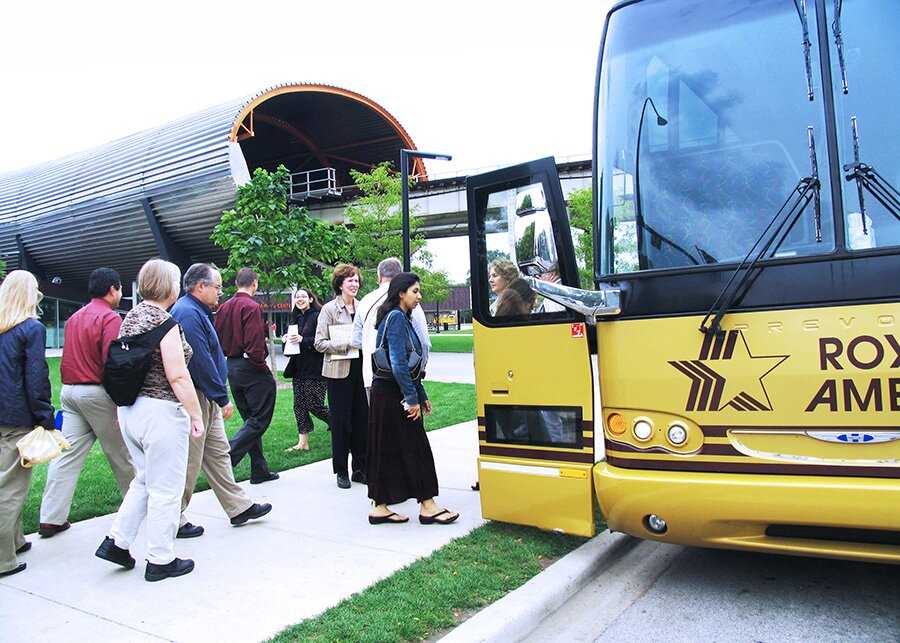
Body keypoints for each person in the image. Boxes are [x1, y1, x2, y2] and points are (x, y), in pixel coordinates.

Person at [95, 259, 204, 582]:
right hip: (161, 412)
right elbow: (178, 375)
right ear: (169, 286)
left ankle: (117, 541)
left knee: (143, 480)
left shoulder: (130, 318)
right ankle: (160, 558)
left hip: (130, 410)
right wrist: (196, 414)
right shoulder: (164, 322)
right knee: (166, 488)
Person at [170, 264, 272, 538]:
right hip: (199, 396)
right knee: (191, 460)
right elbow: (200, 361)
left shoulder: (199, 311)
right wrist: (219, 395)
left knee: (217, 453)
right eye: (216, 286)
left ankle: (238, 507)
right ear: (199, 286)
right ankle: (173, 517)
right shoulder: (188, 313)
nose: (220, 292)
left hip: (207, 394)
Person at [38, 268, 134, 538]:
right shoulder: (110, 318)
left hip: (69, 393)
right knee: (124, 455)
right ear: (113, 289)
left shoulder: (75, 318)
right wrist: (122, 401)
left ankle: (51, 518)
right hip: (97, 394)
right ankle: (142, 510)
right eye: (120, 289)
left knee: (66, 456)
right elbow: (112, 364)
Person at [366, 272, 458, 526]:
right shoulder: (396, 317)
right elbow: (398, 363)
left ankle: (380, 507)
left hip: (389, 394)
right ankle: (427, 505)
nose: (420, 296)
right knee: (416, 447)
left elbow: (409, 362)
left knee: (388, 449)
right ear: (401, 293)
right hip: (393, 395)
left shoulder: (398, 317)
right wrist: (411, 398)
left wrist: (421, 393)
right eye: (415, 291)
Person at [0, 271, 54, 577]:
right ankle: (2, 558)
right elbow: (36, 376)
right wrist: (44, 415)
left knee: (6, 480)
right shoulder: (31, 328)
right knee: (10, 488)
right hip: (16, 416)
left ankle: (16, 540)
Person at [215, 268, 279, 484]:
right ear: (254, 283)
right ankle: (228, 457)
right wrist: (263, 367)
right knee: (259, 419)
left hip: (232, 366)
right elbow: (255, 345)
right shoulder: (250, 306)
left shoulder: (224, 307)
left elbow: (218, 337)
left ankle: (259, 470)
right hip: (251, 367)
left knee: (250, 420)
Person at [315, 264, 367, 489]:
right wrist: (347, 344)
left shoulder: (362, 307)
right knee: (340, 423)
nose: (354, 284)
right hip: (338, 373)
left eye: (356, 280)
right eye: (350, 281)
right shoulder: (329, 309)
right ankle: (341, 471)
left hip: (361, 371)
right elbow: (319, 343)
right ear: (340, 284)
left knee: (361, 422)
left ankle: (360, 468)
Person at [351, 257, 430, 400]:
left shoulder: (364, 301)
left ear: (379, 276)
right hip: (405, 379)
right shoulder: (408, 299)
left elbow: (356, 340)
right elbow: (424, 342)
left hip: (373, 376)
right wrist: (420, 371)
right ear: (400, 275)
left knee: (378, 421)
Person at [283, 287, 328, 452]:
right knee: (299, 405)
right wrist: (285, 339)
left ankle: (341, 424)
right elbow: (290, 346)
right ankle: (303, 443)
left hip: (315, 368)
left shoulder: (318, 316)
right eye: (297, 297)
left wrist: (303, 339)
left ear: (310, 299)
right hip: (298, 368)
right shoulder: (295, 318)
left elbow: (321, 341)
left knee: (314, 404)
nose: (300, 299)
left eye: (303, 296)